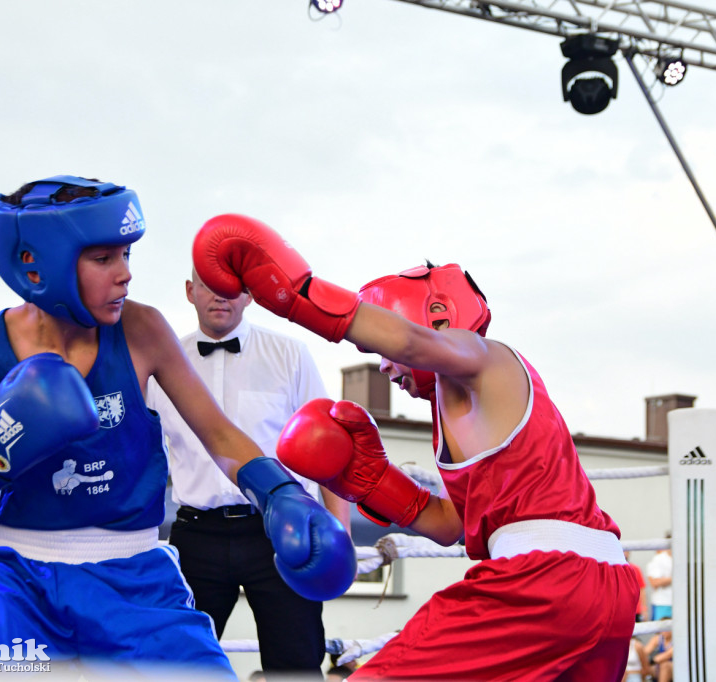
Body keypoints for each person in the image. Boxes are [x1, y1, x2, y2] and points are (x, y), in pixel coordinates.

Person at [0, 177, 355, 675]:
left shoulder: (143, 329)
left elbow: (218, 433)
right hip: (15, 580)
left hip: (134, 578)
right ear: (38, 262)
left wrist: (279, 493)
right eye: (104, 259)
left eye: (127, 255)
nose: (125, 275)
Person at [192, 214, 640, 680]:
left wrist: (293, 291)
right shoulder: (462, 409)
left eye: (383, 353)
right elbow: (453, 527)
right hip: (602, 589)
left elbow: (409, 342)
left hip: (543, 582)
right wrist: (369, 482)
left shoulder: (482, 358)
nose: (385, 367)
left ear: (434, 316)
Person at [147, 269, 350, 678]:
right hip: (195, 535)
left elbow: (332, 447)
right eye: (207, 284)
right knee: (177, 668)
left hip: (281, 531)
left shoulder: (289, 355)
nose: (220, 296)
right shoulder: (162, 364)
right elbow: (139, 455)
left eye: (231, 286)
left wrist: (338, 536)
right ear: (189, 291)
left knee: (295, 667)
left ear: (250, 295)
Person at [647, 536, 673, 621]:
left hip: (681, 603)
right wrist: (676, 578)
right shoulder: (659, 559)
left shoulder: (683, 558)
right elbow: (654, 582)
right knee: (661, 632)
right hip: (663, 603)